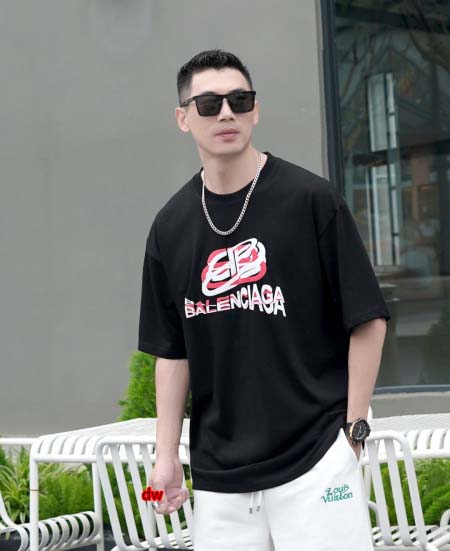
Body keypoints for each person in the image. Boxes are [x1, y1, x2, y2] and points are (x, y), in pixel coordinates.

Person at [137, 49, 390, 551]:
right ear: (183, 118)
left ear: (255, 110)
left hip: (315, 459)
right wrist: (166, 456)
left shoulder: (310, 200)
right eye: (208, 104)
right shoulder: (170, 226)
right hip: (220, 476)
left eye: (239, 100)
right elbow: (172, 351)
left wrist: (354, 431)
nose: (225, 113)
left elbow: (368, 319)